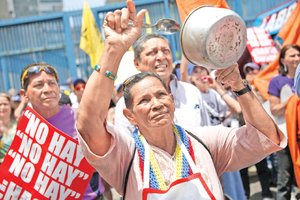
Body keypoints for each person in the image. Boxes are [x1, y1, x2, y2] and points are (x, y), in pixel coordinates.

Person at [76, 1, 286, 199]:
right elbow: (88, 123)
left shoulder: (205, 142)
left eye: (160, 95)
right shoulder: (125, 156)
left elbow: (265, 137)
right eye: (144, 101)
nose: (156, 104)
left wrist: (240, 87)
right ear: (129, 116)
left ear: (172, 100)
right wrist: (113, 50)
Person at [19, 63, 105, 199]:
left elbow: (106, 158)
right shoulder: (22, 129)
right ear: (24, 95)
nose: (47, 89)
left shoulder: (80, 118)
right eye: (38, 85)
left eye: (52, 83)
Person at [114, 33, 210, 133]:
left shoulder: (191, 92)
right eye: (152, 52)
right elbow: (127, 146)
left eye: (166, 51)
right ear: (137, 63)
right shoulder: (126, 104)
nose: (161, 57)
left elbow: (207, 134)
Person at [268, 44, 300, 200]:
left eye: (298, 55)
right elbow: (274, 109)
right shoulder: (276, 82)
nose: (296, 58)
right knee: (285, 178)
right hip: (286, 136)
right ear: (282, 60)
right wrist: (292, 101)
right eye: (292, 56)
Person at [240, 62, 274, 200]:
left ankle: (266, 193)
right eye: (248, 71)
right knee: (242, 167)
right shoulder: (238, 88)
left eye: (254, 71)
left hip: (260, 132)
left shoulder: (263, 88)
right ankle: (245, 195)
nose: (251, 73)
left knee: (262, 165)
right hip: (243, 131)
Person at [0, 93, 17, 163]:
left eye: (5, 104)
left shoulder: (19, 123)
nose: (2, 107)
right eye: (0, 105)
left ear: (11, 106)